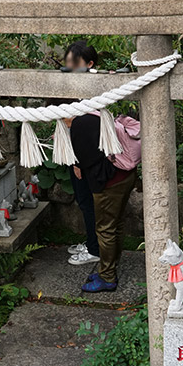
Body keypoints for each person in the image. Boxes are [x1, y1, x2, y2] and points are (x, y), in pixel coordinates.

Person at [66, 110, 136, 292]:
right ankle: (110, 267)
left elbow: (84, 159)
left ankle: (107, 277)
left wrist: (77, 163)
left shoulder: (80, 124)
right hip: (126, 175)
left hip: (109, 183)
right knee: (116, 224)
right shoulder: (98, 114)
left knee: (105, 229)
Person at [63, 41, 100, 266]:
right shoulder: (71, 87)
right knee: (83, 200)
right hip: (73, 152)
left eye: (75, 63)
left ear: (90, 64)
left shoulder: (93, 90)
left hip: (86, 156)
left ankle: (95, 249)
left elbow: (84, 131)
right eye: (67, 63)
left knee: (87, 202)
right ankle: (91, 241)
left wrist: (78, 161)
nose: (70, 67)